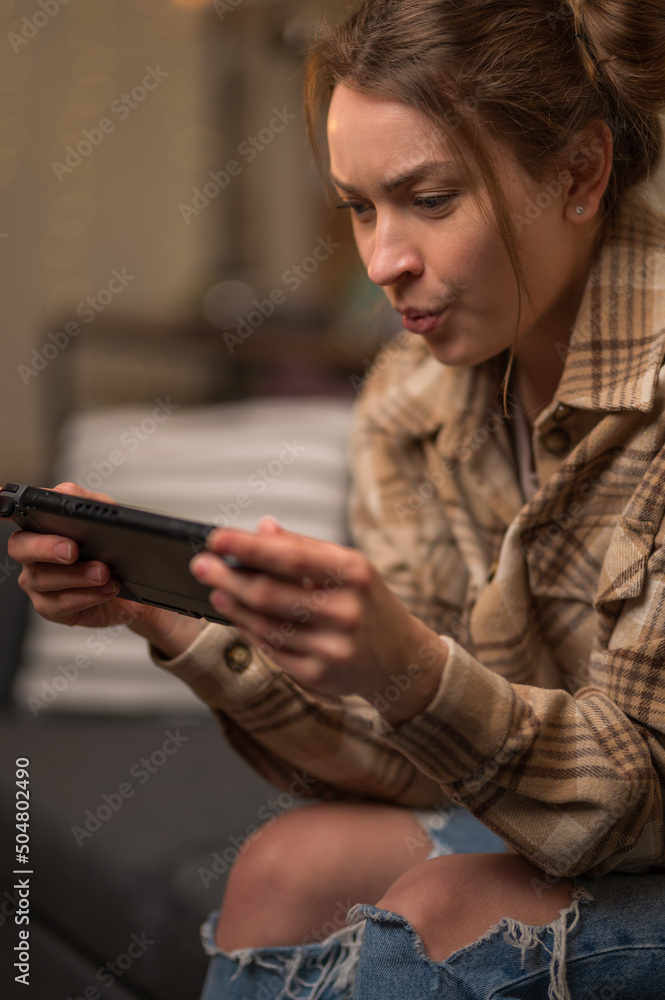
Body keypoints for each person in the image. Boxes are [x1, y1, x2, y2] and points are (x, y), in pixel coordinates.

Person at [10, 0, 665, 996]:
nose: (379, 261)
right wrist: (171, 619)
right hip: (549, 821)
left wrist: (405, 666)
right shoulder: (409, 399)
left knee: (442, 914)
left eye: (428, 199)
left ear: (578, 172)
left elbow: (630, 799)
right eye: (359, 207)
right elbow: (433, 762)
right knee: (286, 863)